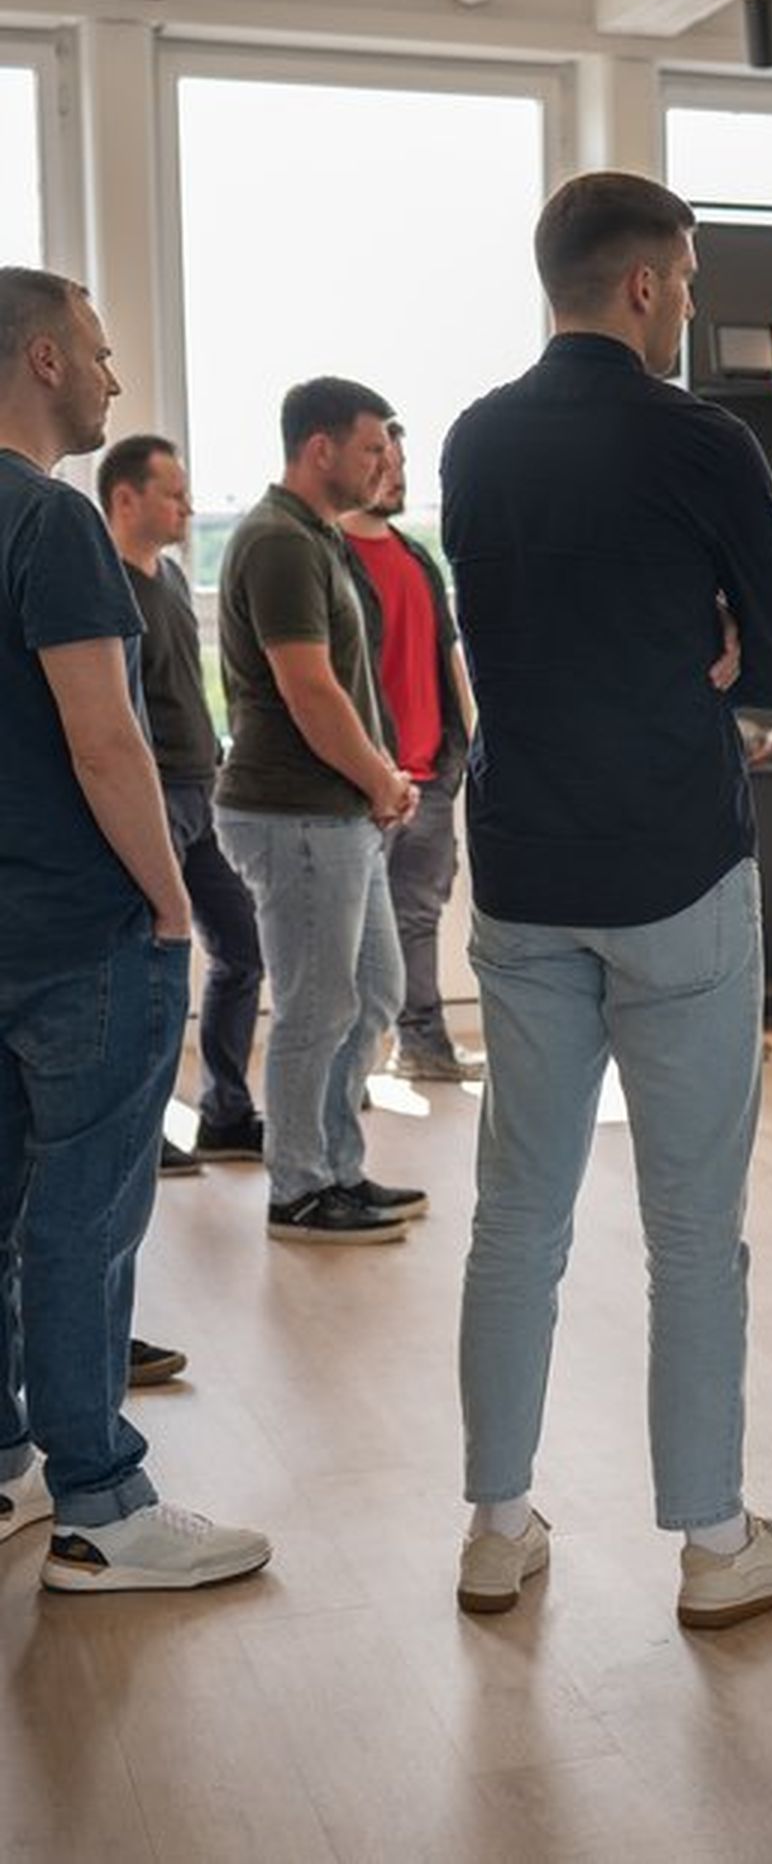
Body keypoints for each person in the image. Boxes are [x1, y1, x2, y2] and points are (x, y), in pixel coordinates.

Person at [444, 170, 772, 1625]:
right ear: (649, 285)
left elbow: (520, 628)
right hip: (675, 869)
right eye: (692, 280)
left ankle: (495, 1527)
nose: (691, 304)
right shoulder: (706, 438)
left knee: (514, 1220)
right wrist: (716, 643)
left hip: (526, 871)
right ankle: (718, 1549)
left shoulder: (473, 440)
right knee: (690, 1230)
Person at [0, 266, 270, 1590]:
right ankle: (101, 1507)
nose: (113, 377)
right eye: (99, 352)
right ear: (43, 360)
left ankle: (3, 1468)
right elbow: (108, 746)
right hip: (72, 937)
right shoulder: (50, 525)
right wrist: (171, 906)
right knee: (82, 1226)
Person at [214, 377, 426, 1244]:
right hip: (294, 813)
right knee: (316, 1007)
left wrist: (377, 782)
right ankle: (297, 1189)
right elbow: (309, 688)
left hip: (337, 814)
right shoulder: (279, 542)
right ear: (320, 449)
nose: (385, 464)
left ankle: (336, 1165)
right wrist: (381, 780)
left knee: (375, 993)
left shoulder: (318, 538)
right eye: (373, 447)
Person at [101, 434, 267, 1186]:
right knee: (152, 968)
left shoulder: (168, 576)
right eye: (174, 493)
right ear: (125, 498)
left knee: (242, 947)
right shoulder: (104, 588)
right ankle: (143, 1128)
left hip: (202, 795)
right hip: (155, 798)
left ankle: (225, 1111)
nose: (189, 507)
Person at [340, 421, 484, 1083]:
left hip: (433, 774)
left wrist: (471, 745)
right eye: (384, 463)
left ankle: (421, 1047)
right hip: (365, 783)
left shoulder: (417, 558)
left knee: (418, 918)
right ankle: (342, 1074)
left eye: (402, 464)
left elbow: (448, 656)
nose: (396, 476)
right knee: (347, 935)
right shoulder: (328, 554)